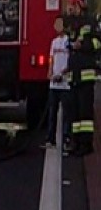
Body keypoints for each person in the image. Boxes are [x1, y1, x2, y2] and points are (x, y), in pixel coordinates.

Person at [66, 25, 97, 156]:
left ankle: (86, 144)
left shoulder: (89, 24)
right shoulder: (70, 26)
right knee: (75, 114)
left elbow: (97, 43)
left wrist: (83, 45)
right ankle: (76, 142)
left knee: (85, 114)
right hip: (74, 78)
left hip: (86, 78)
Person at [43, 17, 70, 148]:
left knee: (66, 114)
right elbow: (51, 58)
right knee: (52, 112)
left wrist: (62, 73)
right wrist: (49, 72)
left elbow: (71, 61)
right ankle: (50, 139)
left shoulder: (68, 42)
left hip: (65, 83)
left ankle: (66, 139)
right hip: (54, 83)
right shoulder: (54, 42)